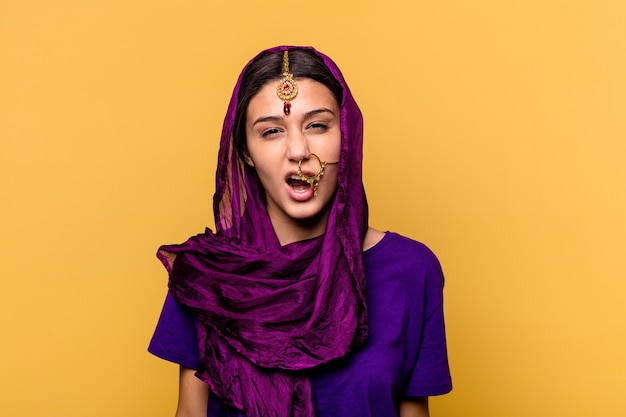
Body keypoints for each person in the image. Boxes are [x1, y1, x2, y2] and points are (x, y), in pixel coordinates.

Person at [149, 46, 452, 417]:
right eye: (272, 131)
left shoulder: (409, 270)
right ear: (245, 151)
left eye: (318, 125)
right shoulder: (208, 276)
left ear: (348, 136)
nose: (298, 150)